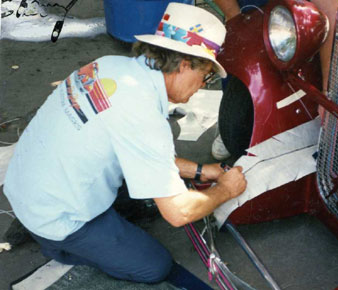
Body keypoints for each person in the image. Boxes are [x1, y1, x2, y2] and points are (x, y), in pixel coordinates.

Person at [3, 3, 246, 288]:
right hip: (56, 217)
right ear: (184, 65)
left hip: (28, 187)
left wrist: (203, 171)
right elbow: (179, 212)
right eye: (206, 76)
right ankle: (60, 246)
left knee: (141, 196)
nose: (201, 86)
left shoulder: (110, 66)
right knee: (155, 266)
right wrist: (226, 190)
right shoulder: (143, 115)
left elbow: (141, 151)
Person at [210, 0, 338, 160]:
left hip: (304, 13)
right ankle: (233, 126)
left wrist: (328, 94)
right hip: (250, 5)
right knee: (240, 57)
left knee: (305, 67)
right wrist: (233, 16)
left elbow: (330, 10)